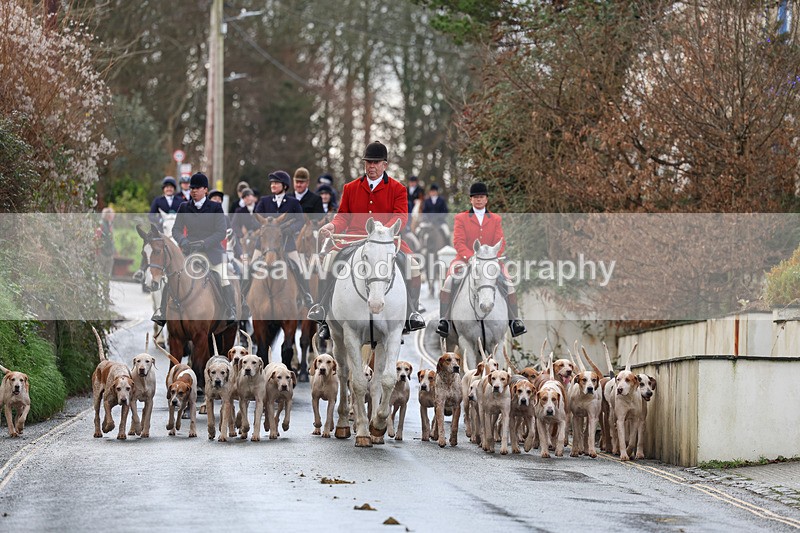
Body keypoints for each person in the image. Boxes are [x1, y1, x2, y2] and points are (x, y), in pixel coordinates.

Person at [308, 141, 426, 340]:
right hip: (353, 238)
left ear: (385, 165)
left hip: (387, 240)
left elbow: (401, 217)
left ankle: (411, 312)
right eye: (368, 162)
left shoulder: (398, 189)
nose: (371, 166)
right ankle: (323, 311)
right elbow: (343, 215)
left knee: (413, 266)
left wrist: (383, 232)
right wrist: (333, 226)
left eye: (376, 162)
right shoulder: (351, 187)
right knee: (328, 261)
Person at [436, 182, 527, 338]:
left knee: (509, 282)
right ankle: (444, 320)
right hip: (465, 260)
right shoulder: (461, 218)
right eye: (475, 197)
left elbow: (501, 242)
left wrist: (491, 255)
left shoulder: (495, 219)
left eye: (481, 197)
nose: (478, 200)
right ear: (471, 200)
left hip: (490, 260)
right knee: (449, 281)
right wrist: (470, 256)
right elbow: (458, 242)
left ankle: (514, 321)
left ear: (486, 199)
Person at [151, 172, 237, 326]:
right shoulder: (184, 207)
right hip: (189, 252)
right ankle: (162, 312)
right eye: (192, 188)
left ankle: (231, 310)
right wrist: (183, 241)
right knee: (172, 277)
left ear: (205, 189)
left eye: (197, 188)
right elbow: (176, 230)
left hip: (212, 253)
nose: (193, 191)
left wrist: (204, 243)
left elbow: (220, 232)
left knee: (223, 277)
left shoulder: (216, 207)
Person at [254, 170, 314, 308]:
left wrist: (289, 230)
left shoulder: (293, 202)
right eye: (272, 183)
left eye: (276, 183)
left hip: (287, 245)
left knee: (300, 268)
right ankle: (243, 298)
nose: (273, 185)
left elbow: (300, 221)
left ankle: (307, 297)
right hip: (264, 245)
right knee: (249, 268)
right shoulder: (264, 201)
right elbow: (257, 219)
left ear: (284, 186)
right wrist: (268, 229)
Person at [97, 207, 115, 278]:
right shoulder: (101, 224)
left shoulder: (110, 225)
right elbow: (97, 238)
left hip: (109, 254)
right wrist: (98, 251)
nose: (112, 217)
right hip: (102, 253)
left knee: (107, 276)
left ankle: (105, 288)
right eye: (110, 215)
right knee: (99, 274)